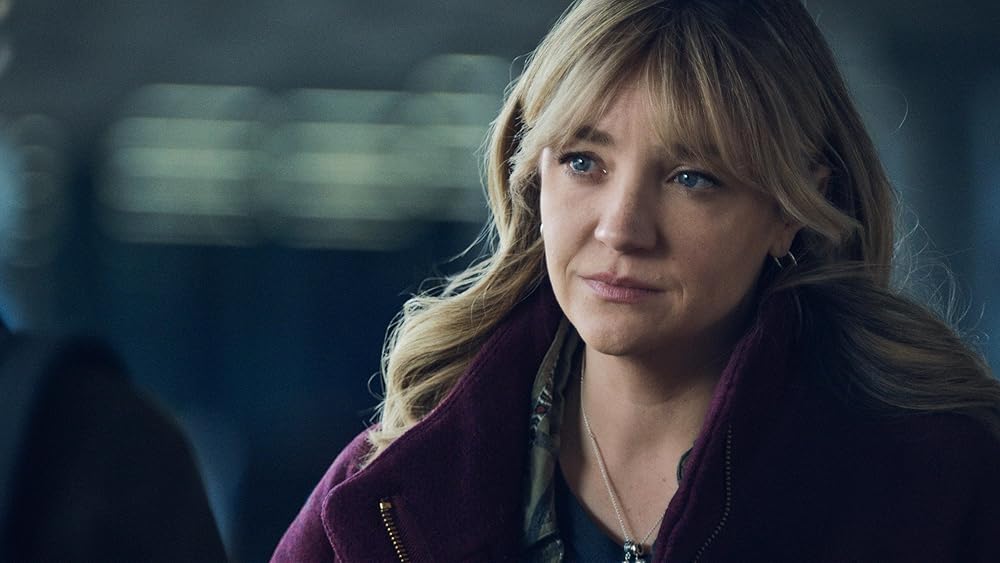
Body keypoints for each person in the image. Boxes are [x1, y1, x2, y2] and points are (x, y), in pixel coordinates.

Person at [273, 0, 1000, 561]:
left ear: (791, 209)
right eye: (583, 162)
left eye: (692, 177)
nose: (622, 229)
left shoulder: (936, 491)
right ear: (534, 174)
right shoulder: (389, 485)